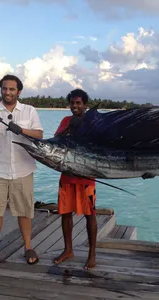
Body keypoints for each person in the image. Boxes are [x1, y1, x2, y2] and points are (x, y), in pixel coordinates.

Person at [0, 74, 43, 270]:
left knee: (24, 211)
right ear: (1, 90)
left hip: (23, 170)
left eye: (12, 89)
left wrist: (21, 130)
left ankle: (28, 247)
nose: (8, 92)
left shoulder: (29, 111)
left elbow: (39, 135)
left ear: (19, 92)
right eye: (5, 89)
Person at [52, 88, 98, 270]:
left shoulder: (93, 123)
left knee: (90, 215)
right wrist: (69, 128)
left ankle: (92, 254)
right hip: (67, 175)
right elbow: (55, 141)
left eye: (78, 103)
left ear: (85, 105)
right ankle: (68, 250)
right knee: (65, 214)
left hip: (86, 177)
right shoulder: (65, 121)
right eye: (72, 103)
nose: (75, 106)